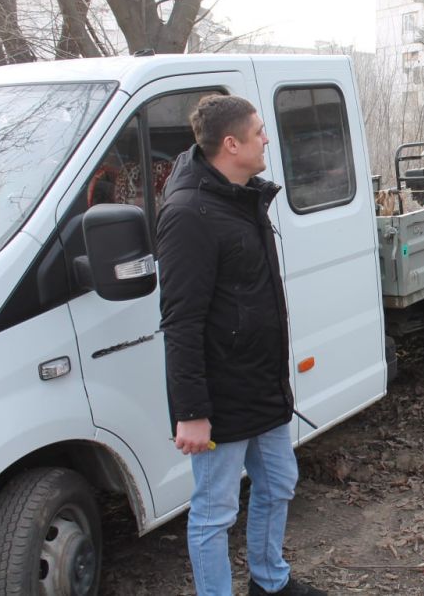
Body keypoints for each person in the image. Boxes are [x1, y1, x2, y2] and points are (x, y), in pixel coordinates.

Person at [157, 95, 326, 596]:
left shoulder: (244, 197)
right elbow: (181, 322)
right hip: (219, 397)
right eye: (258, 132)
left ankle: (269, 582)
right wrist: (191, 411)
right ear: (231, 144)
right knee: (215, 511)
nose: (266, 139)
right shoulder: (189, 213)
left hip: (262, 385)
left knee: (278, 484)